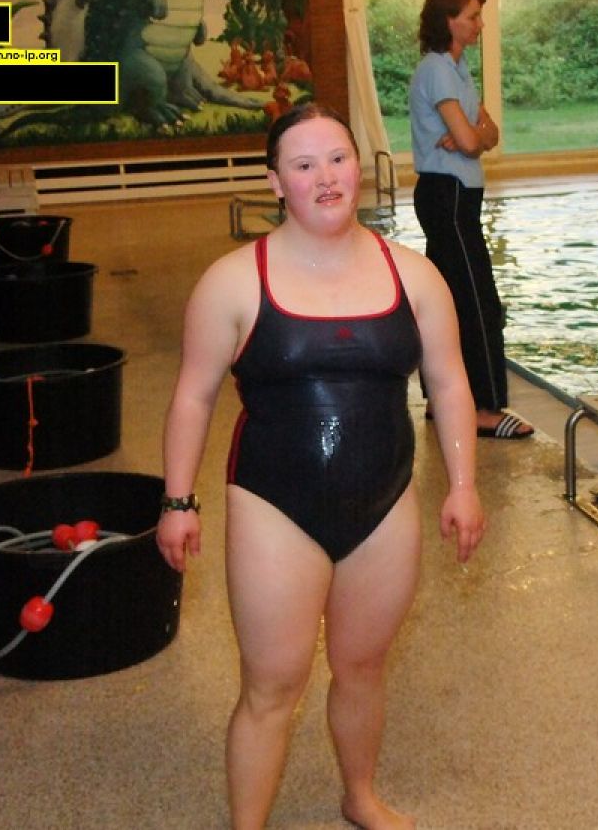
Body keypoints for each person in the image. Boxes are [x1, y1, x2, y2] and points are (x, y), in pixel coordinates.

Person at [157, 102, 486, 830]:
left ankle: (359, 796)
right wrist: (177, 501)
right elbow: (192, 396)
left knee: (363, 667)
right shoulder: (232, 281)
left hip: (384, 503)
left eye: (338, 158)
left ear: (358, 167)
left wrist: (463, 486)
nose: (326, 177)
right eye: (304, 165)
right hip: (274, 505)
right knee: (272, 686)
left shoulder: (416, 276)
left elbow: (449, 382)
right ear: (276, 182)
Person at [409, 0, 533, 440]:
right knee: (479, 303)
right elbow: (469, 139)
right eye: (472, 16)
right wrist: (471, 137)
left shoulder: (457, 69)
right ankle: (482, 407)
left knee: (447, 303)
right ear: (449, 21)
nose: (480, 24)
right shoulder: (437, 70)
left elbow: (488, 132)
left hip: (456, 196)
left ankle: (442, 400)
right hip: (449, 196)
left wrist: (472, 137)